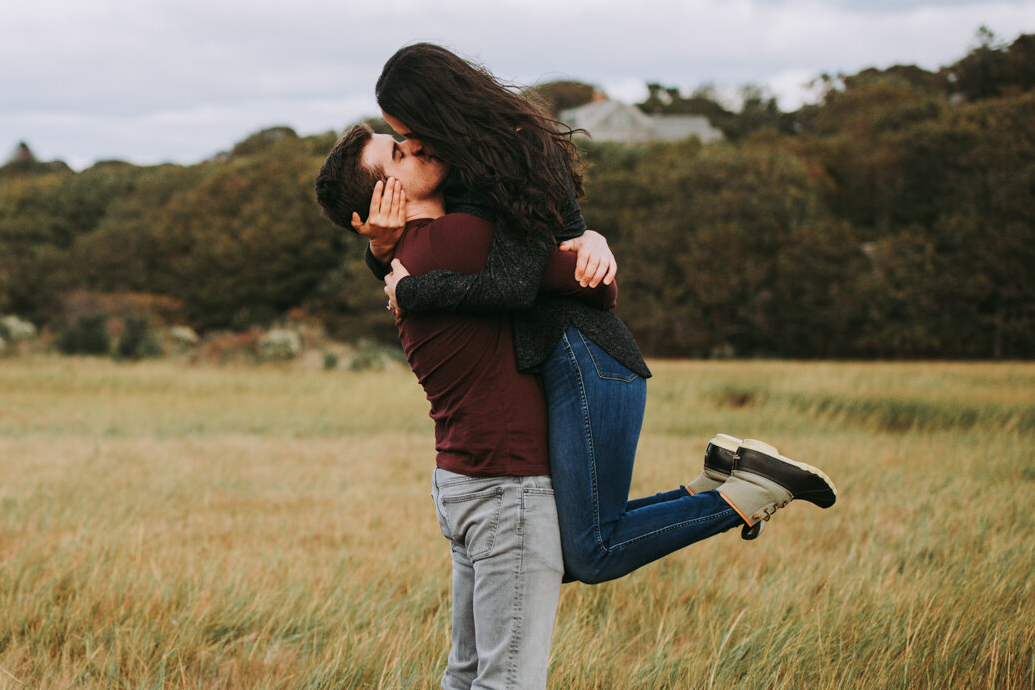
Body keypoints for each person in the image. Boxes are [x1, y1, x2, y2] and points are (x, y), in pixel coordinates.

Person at [314, 123, 835, 690]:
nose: (416, 146)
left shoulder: (412, 257)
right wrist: (591, 247)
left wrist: (382, 249)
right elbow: (580, 282)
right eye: (394, 155)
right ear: (381, 200)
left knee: (468, 680)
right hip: (508, 490)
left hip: (463, 483)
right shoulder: (455, 241)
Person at [358, 43, 836, 581]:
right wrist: (380, 253)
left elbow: (512, 284)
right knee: (560, 550)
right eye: (400, 139)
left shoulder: (513, 153)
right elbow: (452, 246)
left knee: (587, 554)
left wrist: (414, 291)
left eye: (410, 129)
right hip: (561, 352)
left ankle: (747, 494)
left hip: (584, 355)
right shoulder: (468, 168)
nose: (412, 144)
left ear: (438, 111)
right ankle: (718, 485)